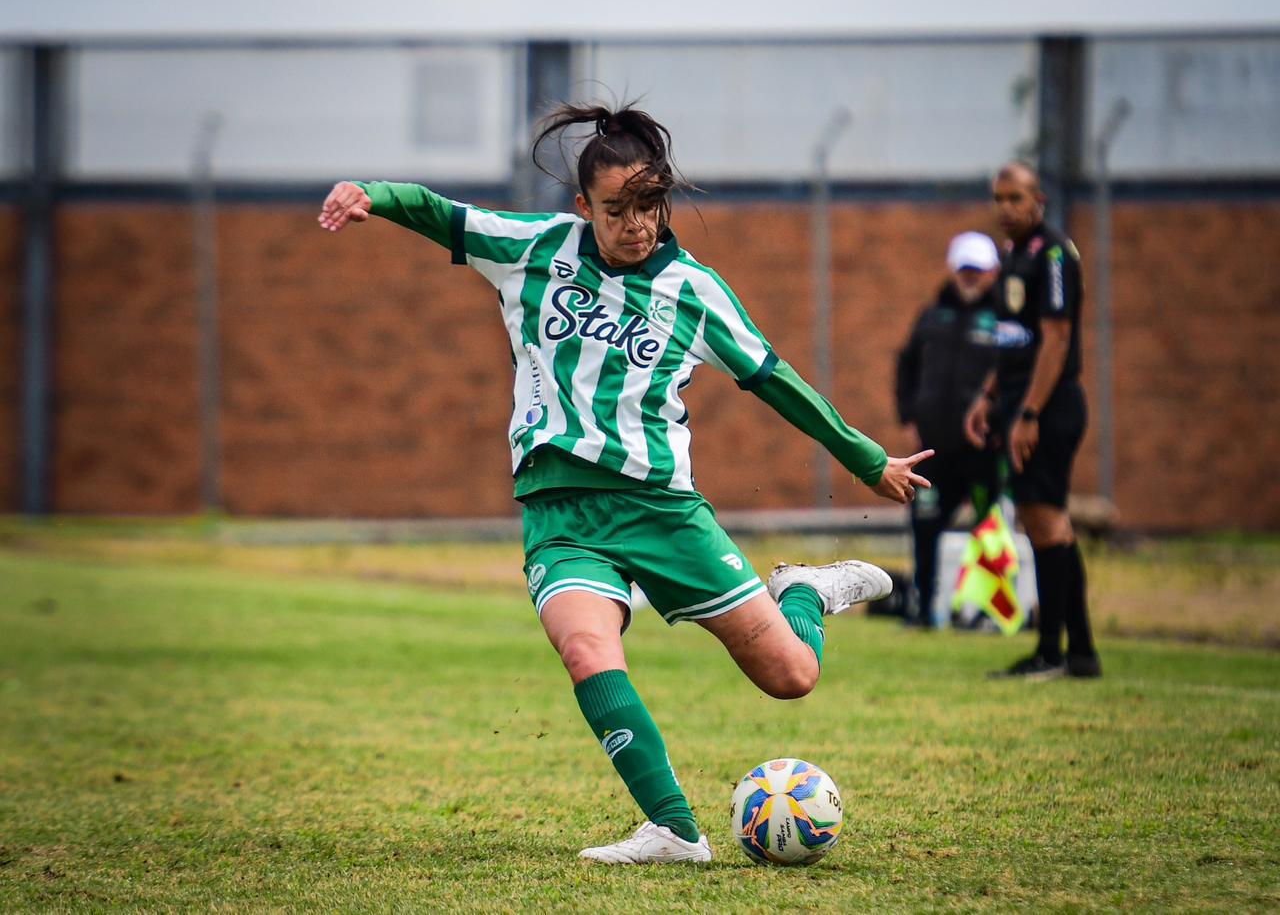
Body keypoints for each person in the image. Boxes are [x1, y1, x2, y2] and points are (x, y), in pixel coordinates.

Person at [318, 103, 933, 864]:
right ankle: (675, 831)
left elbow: (775, 379)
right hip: (562, 512)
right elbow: (438, 212)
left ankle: (804, 591)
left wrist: (868, 459)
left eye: (649, 205)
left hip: (662, 511)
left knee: (792, 676)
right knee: (586, 649)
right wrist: (370, 194)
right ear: (584, 206)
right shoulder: (534, 249)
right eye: (616, 209)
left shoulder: (695, 290)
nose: (636, 224)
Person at [965, 161, 1102, 680]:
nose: (1005, 208)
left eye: (1015, 198)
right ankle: (1079, 652)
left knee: (1047, 523)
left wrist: (1029, 413)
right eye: (998, 198)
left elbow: (1056, 339)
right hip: (1019, 404)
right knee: (1046, 524)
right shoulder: (1013, 256)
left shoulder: (1052, 254)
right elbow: (1014, 340)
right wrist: (989, 396)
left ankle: (1052, 651)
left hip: (1049, 406)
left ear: (1038, 200)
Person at [895, 231, 1002, 627]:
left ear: (992, 272)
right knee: (925, 524)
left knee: (990, 528)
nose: (970, 276)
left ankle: (988, 611)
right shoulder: (932, 317)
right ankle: (924, 608)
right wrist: (909, 415)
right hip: (934, 448)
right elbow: (906, 365)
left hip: (982, 450)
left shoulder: (1004, 319)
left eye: (978, 269)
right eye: (964, 268)